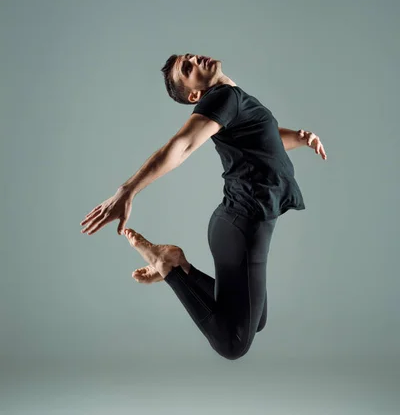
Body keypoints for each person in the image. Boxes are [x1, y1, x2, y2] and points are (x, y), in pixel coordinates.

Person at [80, 54, 327, 360]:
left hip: (236, 223)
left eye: (190, 57)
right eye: (188, 68)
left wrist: (301, 138)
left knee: (256, 318)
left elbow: (264, 139)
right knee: (233, 342)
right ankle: (169, 267)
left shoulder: (234, 98)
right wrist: (128, 189)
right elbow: (181, 145)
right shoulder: (222, 97)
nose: (196, 59)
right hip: (243, 225)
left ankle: (179, 267)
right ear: (195, 95)